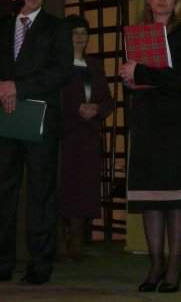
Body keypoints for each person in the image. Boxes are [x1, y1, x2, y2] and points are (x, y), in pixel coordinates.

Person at [119, 0, 181, 293]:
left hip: (175, 122)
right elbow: (137, 78)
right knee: (150, 194)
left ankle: (174, 265)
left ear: (176, 0)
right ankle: (155, 264)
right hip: (147, 119)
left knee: (175, 196)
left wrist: (139, 71)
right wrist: (129, 78)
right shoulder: (137, 34)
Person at [0, 0, 73, 284]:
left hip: (40, 116)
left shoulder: (57, 27)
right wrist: (3, 88)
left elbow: (61, 71)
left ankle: (40, 265)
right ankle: (2, 262)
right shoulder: (3, 26)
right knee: (3, 191)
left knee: (41, 192)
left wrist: (18, 87)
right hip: (5, 115)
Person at [58, 15, 114, 261]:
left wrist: (98, 109)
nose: (80, 37)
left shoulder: (95, 65)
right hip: (65, 134)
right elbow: (55, 98)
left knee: (84, 189)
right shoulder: (58, 65)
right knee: (64, 188)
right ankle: (59, 243)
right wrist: (76, 108)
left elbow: (108, 100)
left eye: (83, 32)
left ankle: (77, 244)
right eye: (75, 33)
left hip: (89, 136)